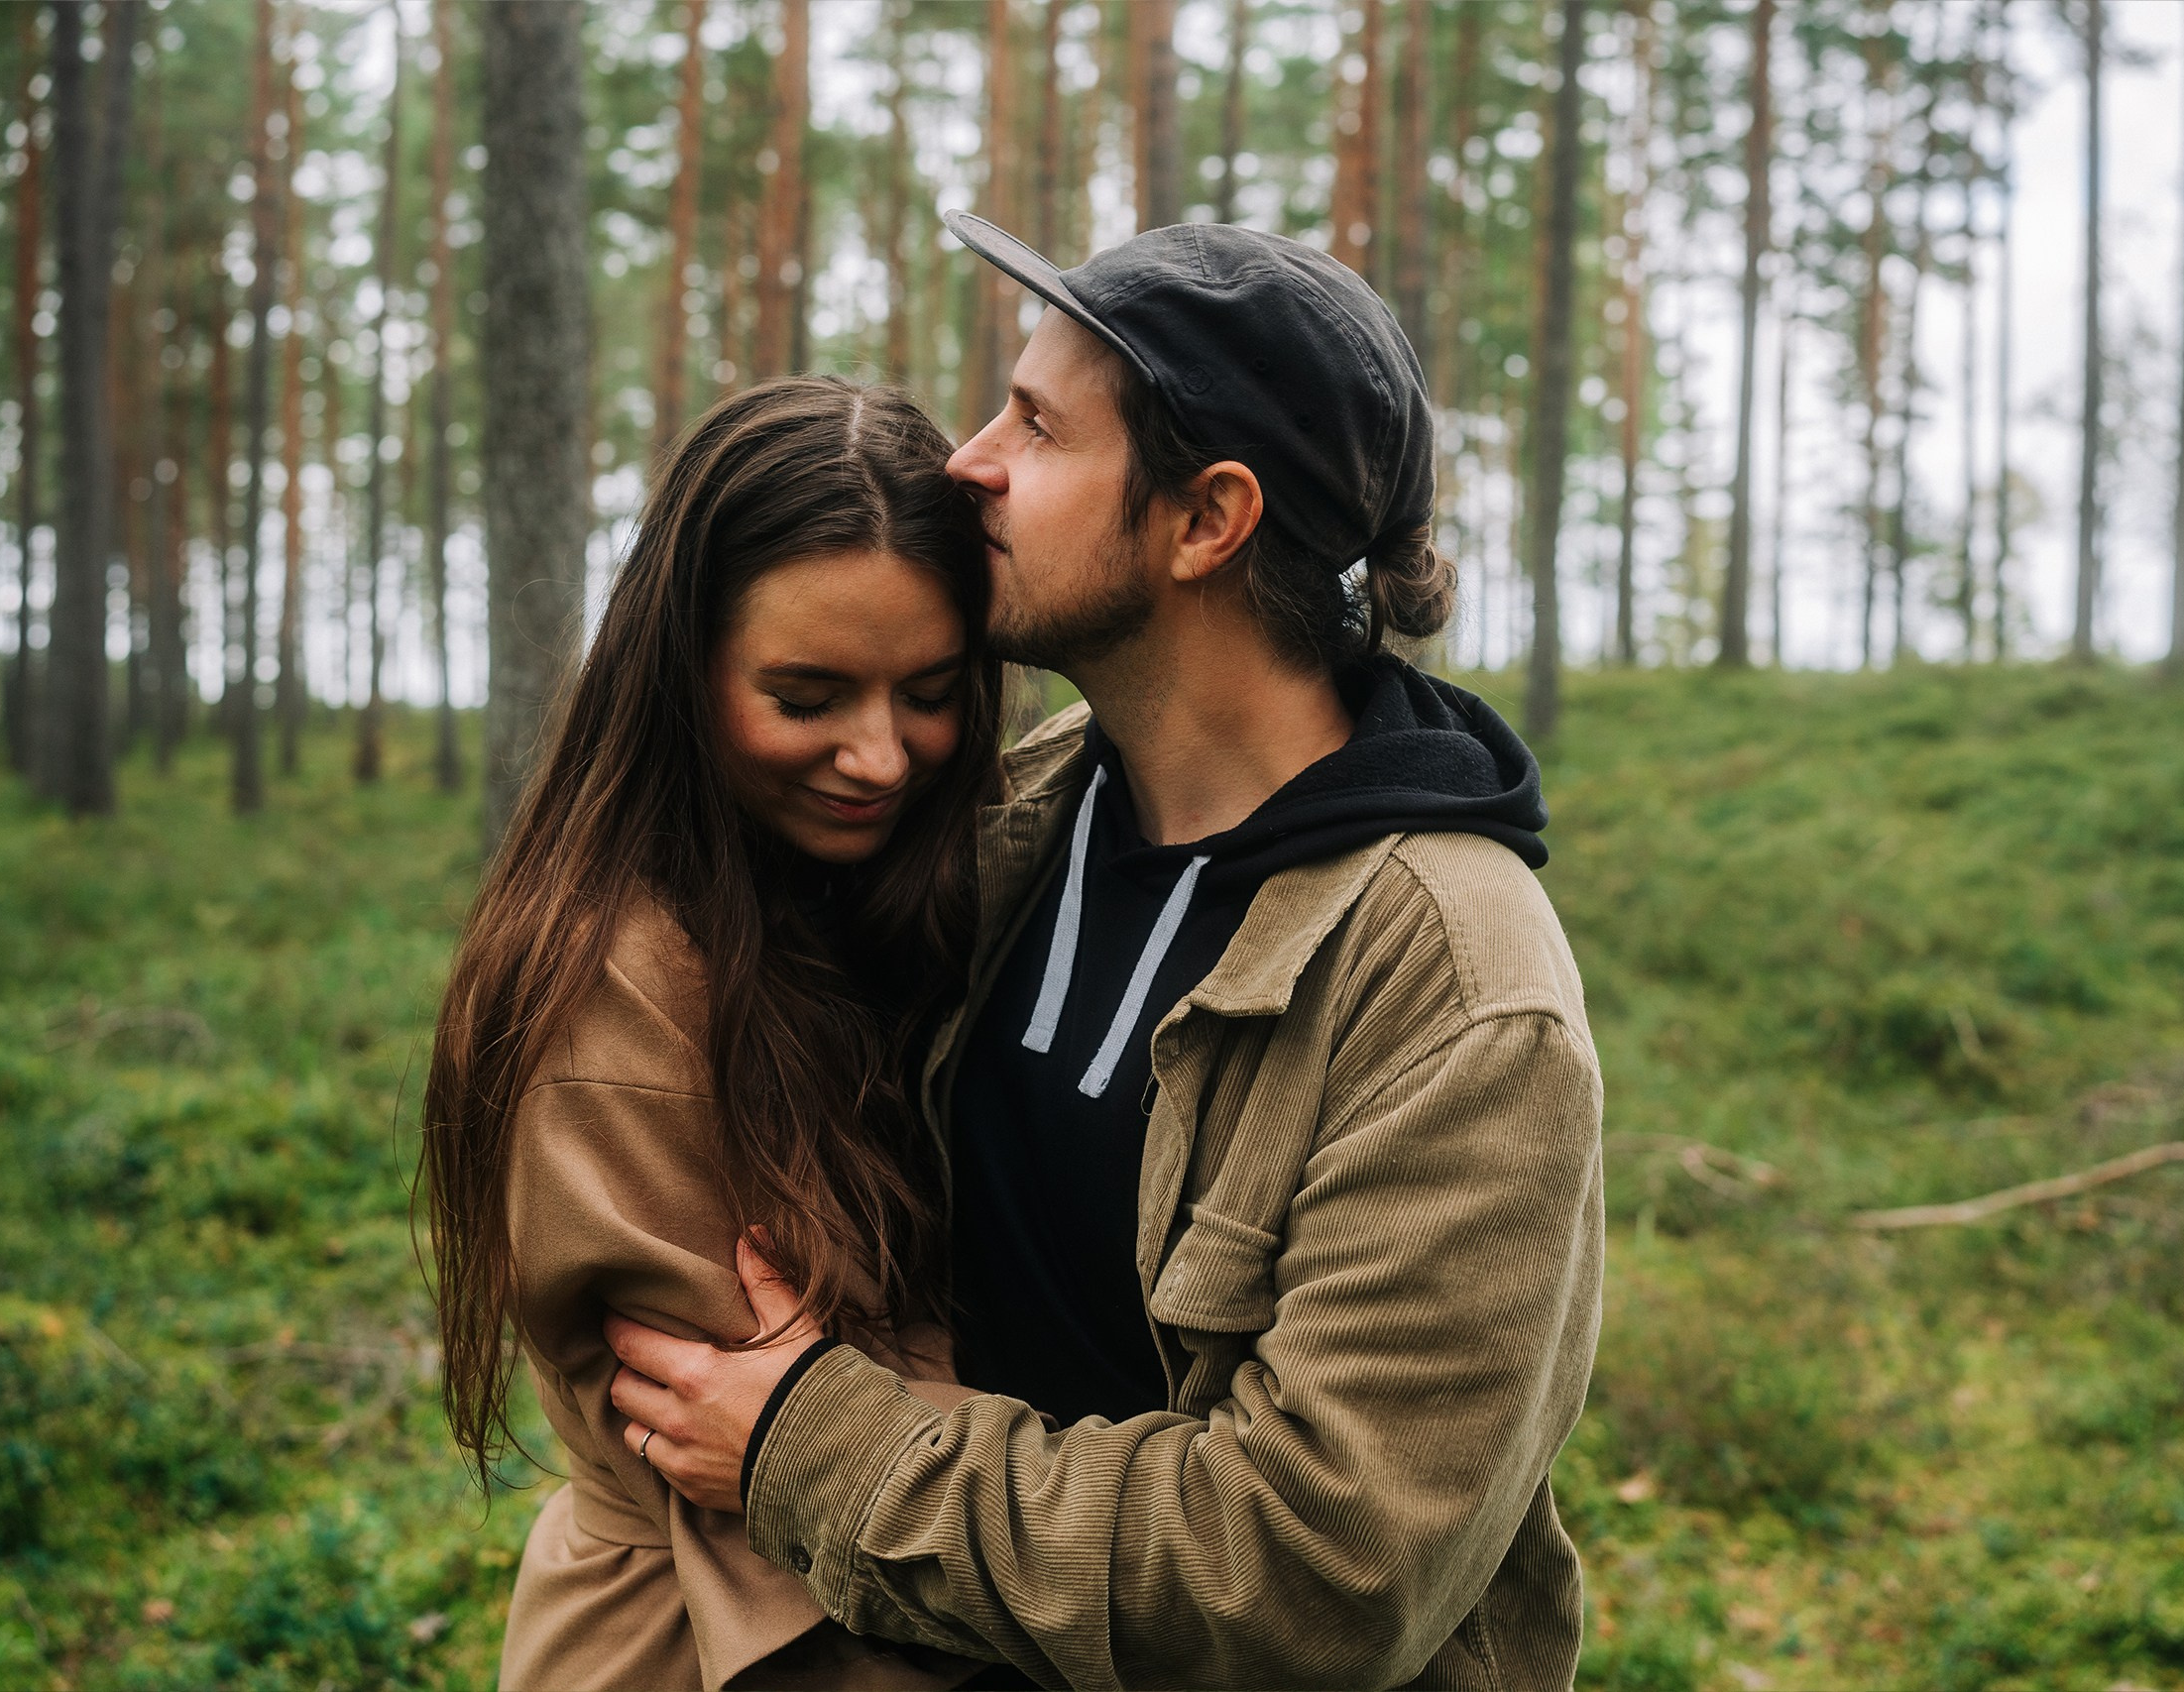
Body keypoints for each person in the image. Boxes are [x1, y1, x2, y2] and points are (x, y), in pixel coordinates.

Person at [607, 219, 1607, 1690]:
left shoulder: (1452, 990)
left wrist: (819, 1446)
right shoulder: (1026, 816)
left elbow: (1314, 1576)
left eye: (1039, 426)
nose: (969, 461)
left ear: (1206, 518)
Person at [419, 379, 1009, 1691]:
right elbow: (734, 1456)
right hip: (717, 1644)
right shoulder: (610, 988)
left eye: (929, 689)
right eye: (806, 697)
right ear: (683, 669)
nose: (881, 758)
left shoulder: (870, 889)